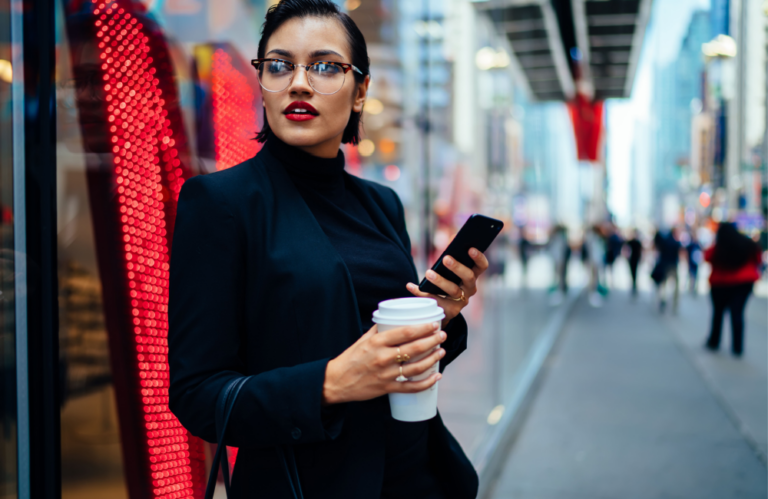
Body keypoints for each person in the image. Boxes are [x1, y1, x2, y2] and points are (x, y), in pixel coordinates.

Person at [168, 1, 482, 497]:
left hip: (417, 478)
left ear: (359, 92)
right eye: (279, 65)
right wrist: (332, 382)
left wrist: (437, 318)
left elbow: (391, 359)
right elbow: (197, 395)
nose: (298, 82)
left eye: (325, 66)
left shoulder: (382, 204)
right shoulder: (221, 204)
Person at [704, 223, 762, 356]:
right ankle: (737, 347)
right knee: (738, 314)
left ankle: (714, 341)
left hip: (720, 283)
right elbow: (758, 259)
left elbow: (707, 257)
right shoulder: (749, 245)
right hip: (744, 284)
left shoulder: (719, 248)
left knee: (718, 314)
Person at [652, 228, 681, 313]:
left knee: (663, 285)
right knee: (676, 286)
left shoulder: (664, 242)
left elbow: (658, 250)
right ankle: (674, 305)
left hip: (664, 265)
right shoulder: (676, 243)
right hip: (673, 265)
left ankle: (662, 300)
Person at [625, 229, 643, 296]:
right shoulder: (631, 242)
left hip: (635, 259)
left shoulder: (637, 242)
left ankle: (634, 285)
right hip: (632, 259)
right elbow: (626, 249)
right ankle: (633, 285)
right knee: (632, 272)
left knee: (635, 273)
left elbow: (640, 251)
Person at [685, 230, 702, 295]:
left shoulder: (698, 244)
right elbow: (687, 253)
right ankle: (691, 287)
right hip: (691, 262)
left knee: (696, 276)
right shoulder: (691, 244)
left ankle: (695, 288)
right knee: (691, 275)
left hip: (696, 263)